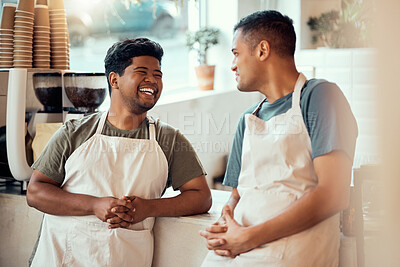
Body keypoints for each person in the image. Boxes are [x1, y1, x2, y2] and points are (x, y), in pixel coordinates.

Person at [27, 38, 212, 267]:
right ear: (114, 79)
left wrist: (148, 208)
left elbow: (201, 196)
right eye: (142, 72)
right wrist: (94, 205)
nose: (152, 81)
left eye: (158, 74)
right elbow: (35, 192)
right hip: (63, 258)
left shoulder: (168, 140)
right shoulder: (74, 132)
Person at [200, 10, 358, 266]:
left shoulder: (319, 97)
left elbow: (334, 193)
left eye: (236, 53)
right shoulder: (248, 119)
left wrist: (250, 237)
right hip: (238, 251)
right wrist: (225, 220)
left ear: (262, 50)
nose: (232, 65)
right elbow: (238, 196)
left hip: (291, 253)